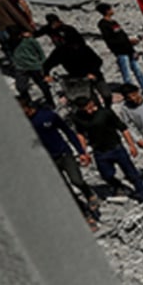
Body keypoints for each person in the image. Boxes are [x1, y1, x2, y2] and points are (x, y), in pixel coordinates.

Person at [20, 97, 100, 228]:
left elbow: (68, 132)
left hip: (64, 154)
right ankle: (86, 216)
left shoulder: (47, 115)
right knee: (66, 192)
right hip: (48, 162)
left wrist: (81, 152)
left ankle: (88, 193)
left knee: (76, 180)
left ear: (27, 107)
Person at [68, 91, 143, 204]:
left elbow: (123, 128)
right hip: (99, 151)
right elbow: (80, 134)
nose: (88, 111)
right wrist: (83, 151)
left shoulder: (105, 113)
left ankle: (142, 194)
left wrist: (131, 145)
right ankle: (118, 186)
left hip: (116, 147)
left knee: (131, 173)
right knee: (106, 174)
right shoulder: (78, 118)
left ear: (91, 103)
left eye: (88, 107)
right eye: (84, 109)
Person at [42, 21, 105, 104]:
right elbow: (48, 64)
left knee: (106, 94)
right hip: (78, 80)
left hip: (94, 74)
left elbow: (98, 61)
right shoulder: (60, 51)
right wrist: (46, 74)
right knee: (88, 101)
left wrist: (92, 72)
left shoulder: (84, 48)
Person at [94, 8, 143, 91]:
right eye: (110, 9)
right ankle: (130, 91)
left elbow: (122, 35)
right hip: (121, 51)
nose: (113, 10)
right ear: (107, 11)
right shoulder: (103, 24)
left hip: (129, 50)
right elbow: (109, 40)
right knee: (126, 73)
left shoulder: (114, 22)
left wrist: (131, 46)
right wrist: (118, 47)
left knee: (138, 71)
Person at [8, 28, 52, 103]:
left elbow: (40, 51)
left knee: (42, 84)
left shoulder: (29, 40)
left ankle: (50, 102)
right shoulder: (11, 43)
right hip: (20, 67)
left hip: (34, 65)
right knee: (21, 87)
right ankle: (28, 103)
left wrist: (43, 63)